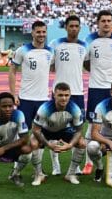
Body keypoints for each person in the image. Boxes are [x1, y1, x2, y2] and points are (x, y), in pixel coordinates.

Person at [83, 10, 112, 175]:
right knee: (91, 126)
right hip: (96, 87)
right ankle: (89, 163)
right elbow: (86, 63)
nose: (106, 23)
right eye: (103, 21)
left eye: (109, 21)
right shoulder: (89, 40)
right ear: (98, 23)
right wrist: (97, 73)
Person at [8, 20, 54, 183]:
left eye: (43, 32)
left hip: (43, 100)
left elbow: (54, 70)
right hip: (25, 99)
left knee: (40, 136)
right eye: (38, 32)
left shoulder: (50, 52)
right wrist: (13, 94)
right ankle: (15, 170)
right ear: (32, 33)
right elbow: (12, 71)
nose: (41, 35)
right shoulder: (23, 50)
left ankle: (38, 170)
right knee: (21, 135)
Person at [48, 15, 88, 176]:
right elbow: (50, 66)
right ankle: (56, 165)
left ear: (80, 28)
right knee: (53, 129)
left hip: (77, 93)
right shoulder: (55, 44)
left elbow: (87, 64)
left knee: (76, 130)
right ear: (66, 27)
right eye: (71, 26)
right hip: (58, 94)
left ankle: (75, 166)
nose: (73, 28)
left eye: (76, 26)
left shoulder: (84, 46)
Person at [30, 82, 85, 185]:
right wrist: (48, 144)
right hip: (46, 131)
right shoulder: (44, 108)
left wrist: (70, 145)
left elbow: (79, 131)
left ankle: (71, 174)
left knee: (82, 143)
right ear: (54, 95)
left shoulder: (75, 109)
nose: (64, 98)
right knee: (33, 143)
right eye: (60, 95)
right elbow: (35, 129)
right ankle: (39, 174)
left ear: (70, 95)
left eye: (66, 95)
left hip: (64, 130)